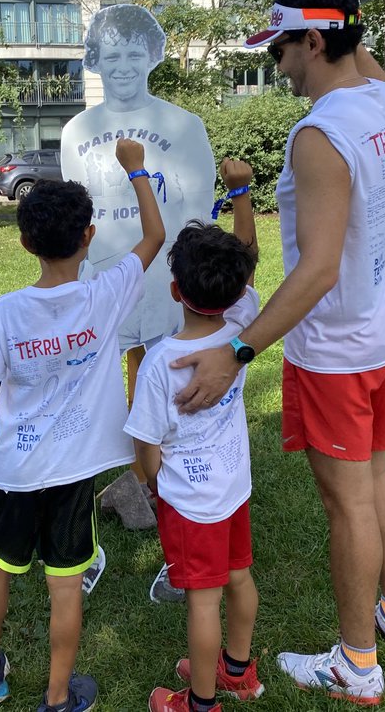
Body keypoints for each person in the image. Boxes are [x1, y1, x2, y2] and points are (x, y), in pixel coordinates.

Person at [171, 0, 385, 706]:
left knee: (349, 501)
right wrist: (340, 17)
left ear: (314, 42)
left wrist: (238, 350)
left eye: (282, 48)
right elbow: (358, 48)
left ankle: (357, 662)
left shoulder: (320, 135)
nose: (277, 64)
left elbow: (314, 272)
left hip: (342, 347)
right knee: (376, 474)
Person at [0, 138, 165, 711]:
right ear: (89, 237)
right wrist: (137, 169)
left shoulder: (7, 313)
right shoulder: (104, 296)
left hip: (17, 470)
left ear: (24, 242)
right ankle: (56, 698)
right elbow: (154, 237)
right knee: (65, 586)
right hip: (73, 477)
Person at [61, 4, 216, 599]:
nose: (123, 67)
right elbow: (81, 214)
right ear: (95, 61)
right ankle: (122, 491)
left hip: (168, 284)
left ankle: (177, 515)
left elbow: (198, 211)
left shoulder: (184, 125)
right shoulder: (79, 132)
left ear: (153, 57)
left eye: (134, 54)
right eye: (111, 55)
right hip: (105, 288)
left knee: (174, 397)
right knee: (99, 400)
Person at [125, 160, 264, 712]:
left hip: (190, 500)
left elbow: (146, 444)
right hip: (233, 487)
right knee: (240, 577)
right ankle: (237, 670)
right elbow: (248, 266)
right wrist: (242, 193)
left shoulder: (160, 362)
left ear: (174, 286)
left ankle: (200, 703)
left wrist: (156, 485)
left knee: (203, 601)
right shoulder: (241, 329)